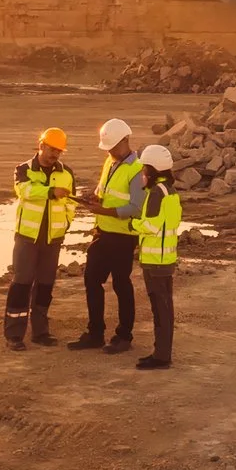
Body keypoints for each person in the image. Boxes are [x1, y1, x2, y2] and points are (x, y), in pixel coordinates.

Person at [71, 117, 140, 353]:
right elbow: (105, 192)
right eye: (107, 147)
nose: (110, 151)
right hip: (102, 233)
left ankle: (124, 336)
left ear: (126, 140)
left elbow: (136, 207)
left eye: (113, 146)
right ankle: (95, 333)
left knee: (121, 284)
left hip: (122, 237)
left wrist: (104, 210)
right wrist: (95, 200)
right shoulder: (110, 163)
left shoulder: (137, 169)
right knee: (92, 280)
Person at [5, 127, 76, 351]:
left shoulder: (67, 173)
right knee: (21, 284)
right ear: (41, 145)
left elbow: (71, 203)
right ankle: (14, 335)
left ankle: (40, 332)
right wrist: (50, 191)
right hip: (28, 237)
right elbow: (24, 191)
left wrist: (65, 224)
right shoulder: (23, 169)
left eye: (58, 150)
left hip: (52, 239)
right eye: (52, 149)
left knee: (45, 286)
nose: (54, 154)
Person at [130, 143, 183, 370]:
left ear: (152, 170)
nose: (142, 174)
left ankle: (161, 356)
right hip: (166, 259)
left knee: (160, 309)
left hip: (155, 261)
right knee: (164, 308)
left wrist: (132, 224)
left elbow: (150, 226)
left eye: (144, 170)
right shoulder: (170, 192)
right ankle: (161, 352)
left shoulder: (155, 194)